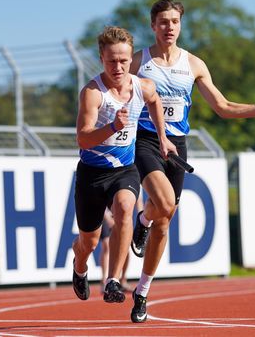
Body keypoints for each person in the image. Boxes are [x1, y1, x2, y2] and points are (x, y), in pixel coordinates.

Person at [128, 0, 255, 323]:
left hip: (177, 143)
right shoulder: (138, 61)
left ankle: (143, 290)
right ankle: (143, 221)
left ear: (180, 25)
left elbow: (223, 106)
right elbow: (114, 90)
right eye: (163, 22)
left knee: (165, 218)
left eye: (174, 22)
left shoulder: (194, 64)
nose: (169, 27)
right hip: (145, 141)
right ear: (153, 26)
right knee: (162, 201)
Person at [71, 26, 176, 304]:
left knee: (127, 209)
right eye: (111, 61)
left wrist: (163, 138)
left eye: (123, 61)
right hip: (92, 174)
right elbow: (83, 138)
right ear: (101, 59)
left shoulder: (143, 86)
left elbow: (154, 102)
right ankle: (79, 266)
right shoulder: (93, 92)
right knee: (89, 243)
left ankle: (113, 280)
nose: (118, 67)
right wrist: (112, 127)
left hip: (124, 169)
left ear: (131, 59)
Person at [99, 194, 144, 292]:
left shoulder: (136, 180)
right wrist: (108, 218)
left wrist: (142, 223)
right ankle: (104, 281)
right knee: (106, 245)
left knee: (125, 247)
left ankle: (122, 280)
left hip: (122, 215)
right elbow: (100, 199)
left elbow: (139, 202)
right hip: (106, 212)